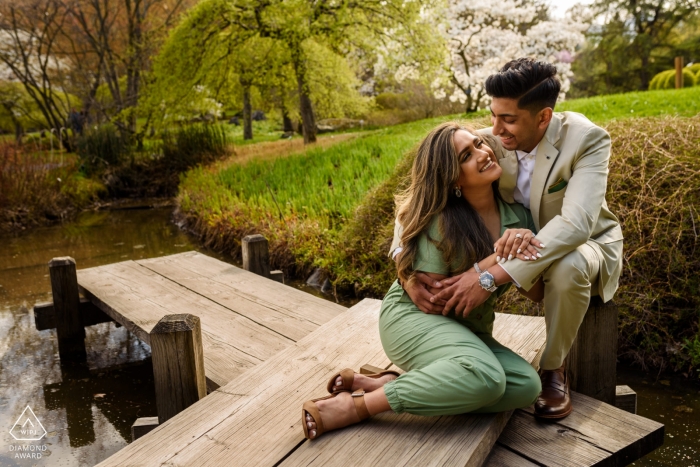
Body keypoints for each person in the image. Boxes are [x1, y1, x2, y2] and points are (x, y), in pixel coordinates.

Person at [396, 58, 624, 419]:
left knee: (568, 266)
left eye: (508, 119)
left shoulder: (587, 139)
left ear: (544, 117)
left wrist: (488, 278)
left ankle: (553, 370)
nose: (494, 130)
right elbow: (424, 189)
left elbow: (577, 224)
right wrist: (403, 267)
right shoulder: (489, 143)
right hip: (518, 241)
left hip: (586, 244)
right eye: (492, 115)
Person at [302, 122, 544, 440]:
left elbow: (536, 292)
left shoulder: (519, 220)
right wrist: (499, 257)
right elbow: (438, 300)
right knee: (487, 377)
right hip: (415, 320)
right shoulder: (442, 221)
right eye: (466, 156)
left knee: (526, 385)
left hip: (471, 334)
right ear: (453, 179)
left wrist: (522, 247)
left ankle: (391, 384)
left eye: (480, 145)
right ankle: (359, 406)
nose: (484, 154)